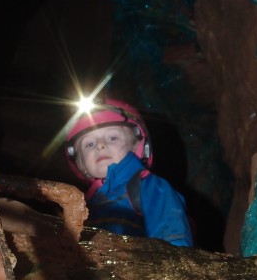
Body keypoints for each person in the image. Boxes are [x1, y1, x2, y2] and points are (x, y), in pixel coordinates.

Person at [65, 97, 193, 247]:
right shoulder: (82, 205)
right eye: (89, 144)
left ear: (136, 146)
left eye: (112, 138)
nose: (100, 146)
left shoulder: (149, 187)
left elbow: (173, 236)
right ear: (81, 163)